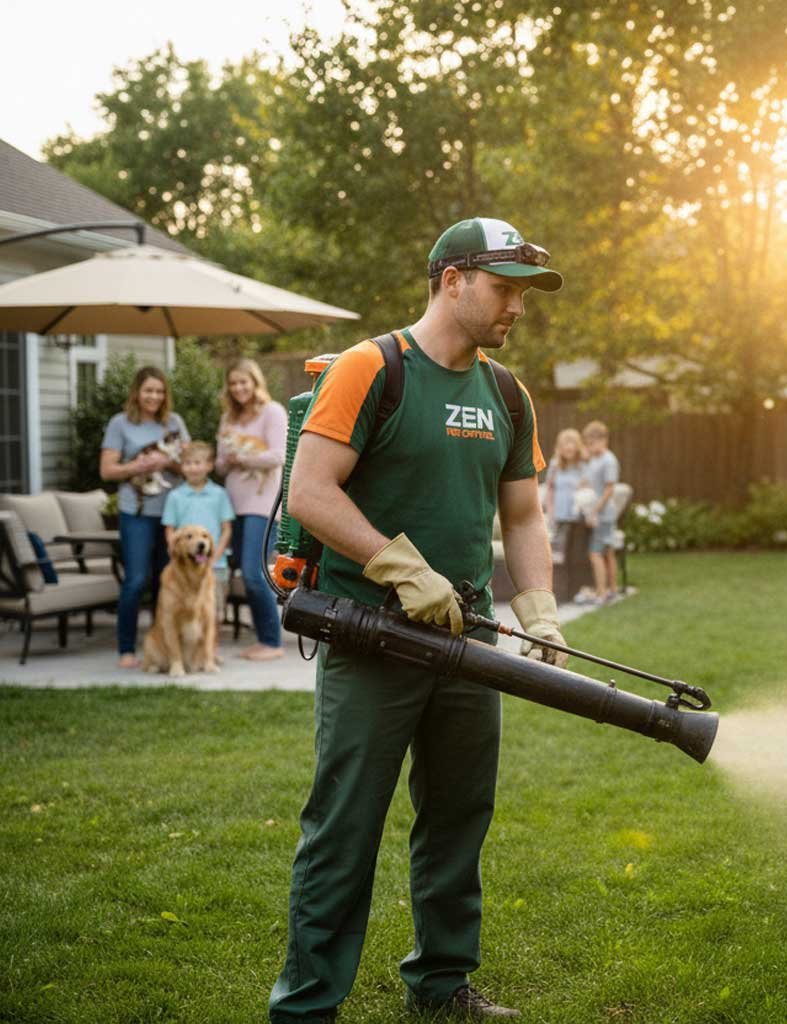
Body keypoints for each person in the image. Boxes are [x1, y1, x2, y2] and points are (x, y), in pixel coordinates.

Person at [269, 217, 569, 1023]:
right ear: (452, 281)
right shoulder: (373, 368)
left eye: (523, 294)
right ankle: (306, 1006)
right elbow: (312, 491)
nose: (517, 308)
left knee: (458, 818)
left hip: (467, 641)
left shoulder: (507, 392)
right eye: (505, 289)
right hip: (373, 634)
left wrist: (536, 607)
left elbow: (524, 512)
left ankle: (441, 985)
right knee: (345, 826)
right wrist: (401, 568)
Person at [99, 366, 187, 669]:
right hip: (135, 512)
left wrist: (168, 461)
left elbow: (189, 466)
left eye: (160, 391)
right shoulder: (119, 424)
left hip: (170, 516)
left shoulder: (174, 423)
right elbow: (107, 470)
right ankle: (126, 647)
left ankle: (163, 644)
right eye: (149, 390)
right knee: (136, 580)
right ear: (137, 392)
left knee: (167, 582)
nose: (154, 396)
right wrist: (138, 466)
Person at [215, 357, 289, 660]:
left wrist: (244, 459)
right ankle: (263, 639)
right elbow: (220, 465)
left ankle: (272, 642)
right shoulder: (228, 418)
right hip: (233, 503)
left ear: (255, 383)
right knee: (246, 572)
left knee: (254, 572)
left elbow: (278, 455)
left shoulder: (272, 412)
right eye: (233, 383)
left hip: (262, 504)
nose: (238, 388)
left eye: (243, 382)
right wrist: (228, 461)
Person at [161, 441, 236, 609]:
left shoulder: (219, 494)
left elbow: (226, 529)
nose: (193, 468)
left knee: (214, 614)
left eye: (197, 463)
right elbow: (170, 530)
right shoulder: (175, 496)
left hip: (215, 566)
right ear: (181, 466)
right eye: (188, 463)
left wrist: (215, 557)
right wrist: (175, 550)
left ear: (209, 465)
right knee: (184, 612)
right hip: (184, 567)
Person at [580, 420, 621, 604]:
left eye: (591, 442)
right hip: (599, 512)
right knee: (608, 552)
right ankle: (613, 589)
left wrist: (594, 511)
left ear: (602, 439)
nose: (589, 446)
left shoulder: (609, 460)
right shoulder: (595, 459)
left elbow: (609, 489)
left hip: (604, 514)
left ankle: (601, 593)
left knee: (595, 554)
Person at [542, 428, 587, 568]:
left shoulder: (583, 466)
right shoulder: (555, 465)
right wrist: (550, 511)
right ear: (560, 447)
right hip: (559, 515)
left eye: (572, 443)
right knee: (556, 551)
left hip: (577, 517)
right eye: (565, 444)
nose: (569, 447)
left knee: (575, 552)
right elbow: (550, 489)